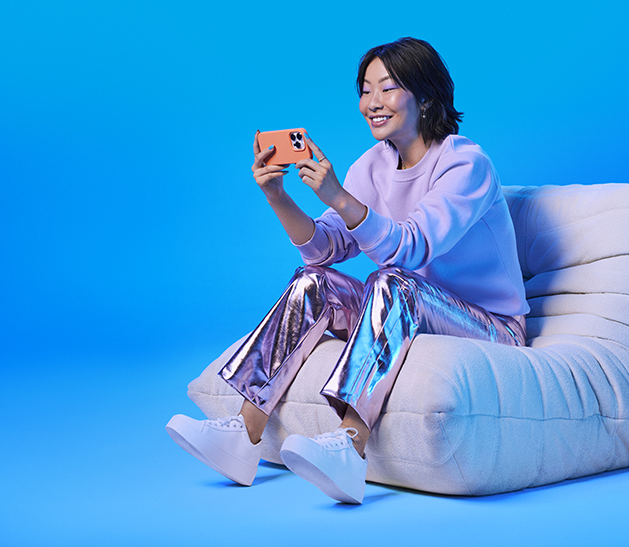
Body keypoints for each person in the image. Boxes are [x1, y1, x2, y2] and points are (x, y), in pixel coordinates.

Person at [166, 37, 529, 504]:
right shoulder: (373, 165)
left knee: (392, 280)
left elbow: (412, 248)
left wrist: (338, 195)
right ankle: (243, 435)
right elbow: (323, 250)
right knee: (314, 282)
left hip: (490, 327)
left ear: (425, 97)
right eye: (365, 90)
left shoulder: (465, 164)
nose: (372, 102)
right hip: (405, 308)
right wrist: (278, 197)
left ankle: (350, 447)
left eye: (388, 88)